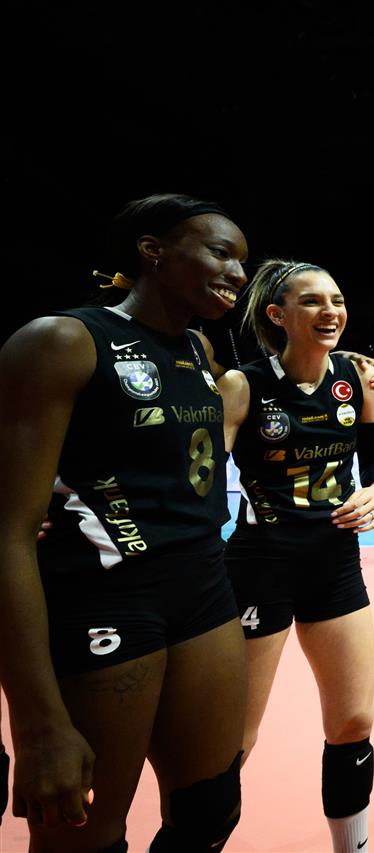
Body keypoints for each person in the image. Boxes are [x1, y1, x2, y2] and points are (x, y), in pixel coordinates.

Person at [0, 194, 250, 852]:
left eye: (243, 262)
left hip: (205, 589)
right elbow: (8, 532)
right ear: (152, 251)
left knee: (211, 810)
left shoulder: (198, 349)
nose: (237, 272)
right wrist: (36, 724)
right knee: (84, 836)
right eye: (221, 252)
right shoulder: (61, 341)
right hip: (105, 598)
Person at [219, 259, 374, 852]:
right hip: (260, 566)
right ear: (278, 315)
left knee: (354, 722)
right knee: (234, 740)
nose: (330, 311)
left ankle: (351, 847)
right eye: (312, 301)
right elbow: (200, 481)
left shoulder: (360, 378)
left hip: (336, 564)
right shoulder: (242, 385)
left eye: (336, 300)